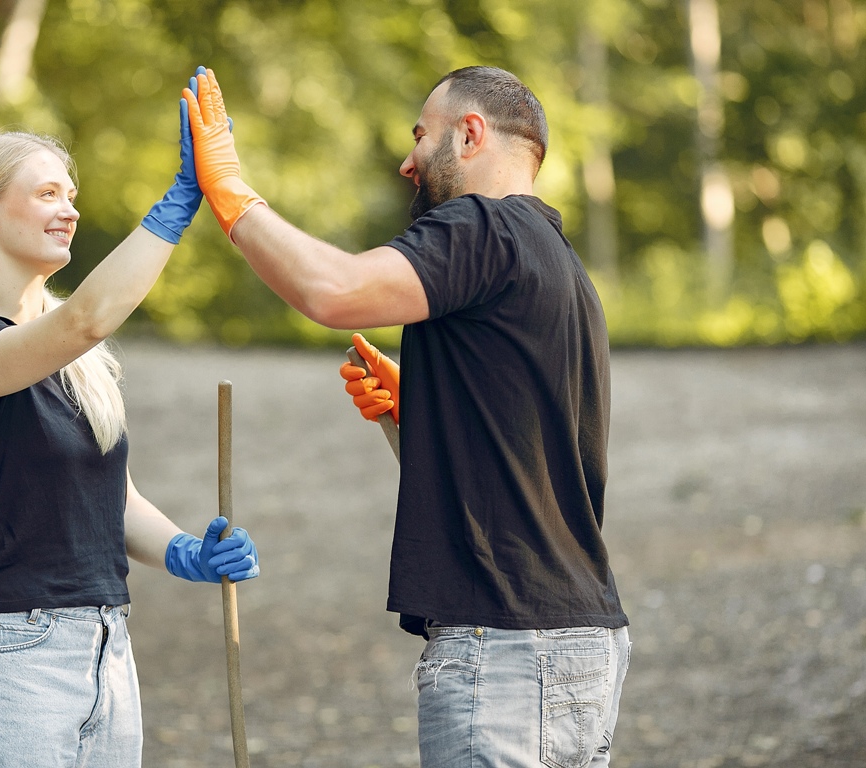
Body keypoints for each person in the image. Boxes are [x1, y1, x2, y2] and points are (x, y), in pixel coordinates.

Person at [183, 66, 630, 767]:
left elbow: (330, 292)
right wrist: (415, 413)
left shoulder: (484, 226)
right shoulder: (561, 265)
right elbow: (516, 460)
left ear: (472, 133)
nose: (408, 159)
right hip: (576, 639)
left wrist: (230, 192)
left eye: (422, 135)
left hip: (506, 649)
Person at [0, 70, 259, 768]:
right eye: (47, 193)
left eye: (71, 195)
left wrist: (186, 551)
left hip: (106, 650)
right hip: (8, 663)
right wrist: (180, 201)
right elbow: (85, 318)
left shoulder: (84, 363)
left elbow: (115, 500)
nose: (70, 209)